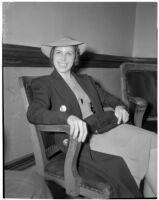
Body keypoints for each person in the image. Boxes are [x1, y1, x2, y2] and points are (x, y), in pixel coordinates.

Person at [27, 36, 157, 198]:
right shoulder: (44, 83)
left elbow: (109, 98)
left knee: (153, 140)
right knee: (130, 156)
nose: (63, 58)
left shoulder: (86, 80)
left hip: (103, 126)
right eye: (59, 53)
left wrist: (119, 106)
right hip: (80, 138)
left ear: (75, 57)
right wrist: (67, 118)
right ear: (52, 56)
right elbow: (34, 112)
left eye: (69, 53)